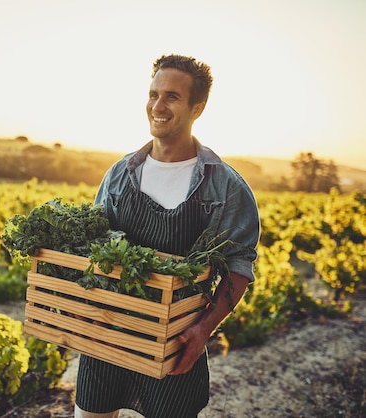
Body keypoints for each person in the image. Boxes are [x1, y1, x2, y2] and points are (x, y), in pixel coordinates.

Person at [74, 54, 261, 417]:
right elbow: (93, 247)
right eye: (153, 94)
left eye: (172, 96)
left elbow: (238, 268)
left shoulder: (225, 186)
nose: (158, 105)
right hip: (107, 331)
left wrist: (204, 330)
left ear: (197, 108)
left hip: (174, 342)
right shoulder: (118, 175)